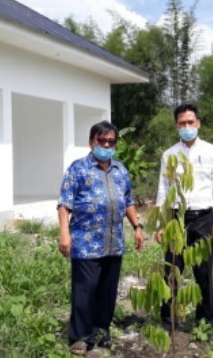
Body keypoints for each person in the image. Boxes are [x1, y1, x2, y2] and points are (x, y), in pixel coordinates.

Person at [58, 120, 145, 356]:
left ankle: (101, 330)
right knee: (85, 290)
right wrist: (64, 233)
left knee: (107, 291)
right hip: (86, 243)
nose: (106, 145)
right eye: (102, 140)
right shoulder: (78, 169)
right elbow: (65, 203)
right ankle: (80, 337)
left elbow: (127, 201)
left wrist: (137, 226)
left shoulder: (121, 170)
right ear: (91, 142)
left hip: (113, 243)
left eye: (111, 141)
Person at [155, 103, 213, 330]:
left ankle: (206, 321)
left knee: (204, 272)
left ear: (198, 124)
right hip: (176, 218)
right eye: (182, 123)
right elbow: (163, 189)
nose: (187, 127)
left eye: (190, 122)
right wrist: (160, 223)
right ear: (176, 126)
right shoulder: (169, 155)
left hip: (204, 217)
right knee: (171, 270)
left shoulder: (211, 151)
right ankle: (168, 321)